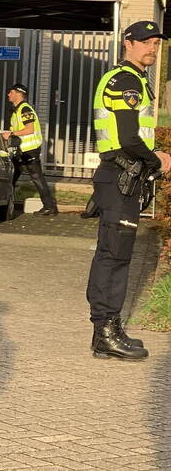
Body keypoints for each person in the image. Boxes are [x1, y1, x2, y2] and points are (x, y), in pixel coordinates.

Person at [86, 20, 171, 360]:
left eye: (156, 43)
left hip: (125, 179)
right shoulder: (124, 81)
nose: (152, 47)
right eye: (146, 42)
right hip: (118, 178)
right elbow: (128, 138)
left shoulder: (136, 80)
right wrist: (158, 160)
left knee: (116, 255)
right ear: (128, 43)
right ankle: (105, 332)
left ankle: (110, 328)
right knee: (113, 256)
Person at [0, 83, 57, 216]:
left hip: (30, 151)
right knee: (11, 177)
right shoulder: (16, 111)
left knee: (37, 178)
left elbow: (29, 129)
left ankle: (49, 207)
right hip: (21, 151)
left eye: (11, 92)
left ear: (19, 93)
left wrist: (11, 134)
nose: (8, 94)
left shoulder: (25, 109)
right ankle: (4, 205)